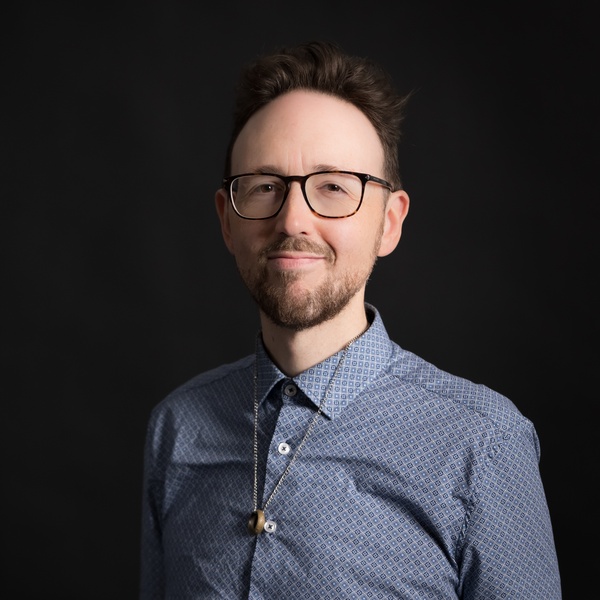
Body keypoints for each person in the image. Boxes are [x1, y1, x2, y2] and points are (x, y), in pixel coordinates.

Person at [140, 41, 561, 599]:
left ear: (389, 222)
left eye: (334, 187)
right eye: (264, 187)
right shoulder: (177, 429)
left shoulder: (482, 444)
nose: (293, 220)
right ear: (226, 221)